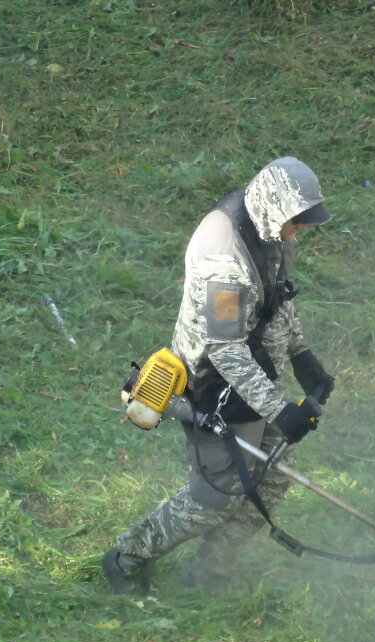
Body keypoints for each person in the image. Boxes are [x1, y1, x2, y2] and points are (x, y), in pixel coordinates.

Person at [102, 157, 336, 593]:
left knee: (270, 481)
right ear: (273, 208)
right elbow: (224, 350)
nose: (302, 229)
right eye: (297, 221)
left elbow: (279, 294)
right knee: (216, 496)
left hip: (255, 380)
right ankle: (126, 556)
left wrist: (302, 353)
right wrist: (280, 410)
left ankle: (209, 574)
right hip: (215, 387)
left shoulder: (274, 230)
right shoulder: (222, 258)